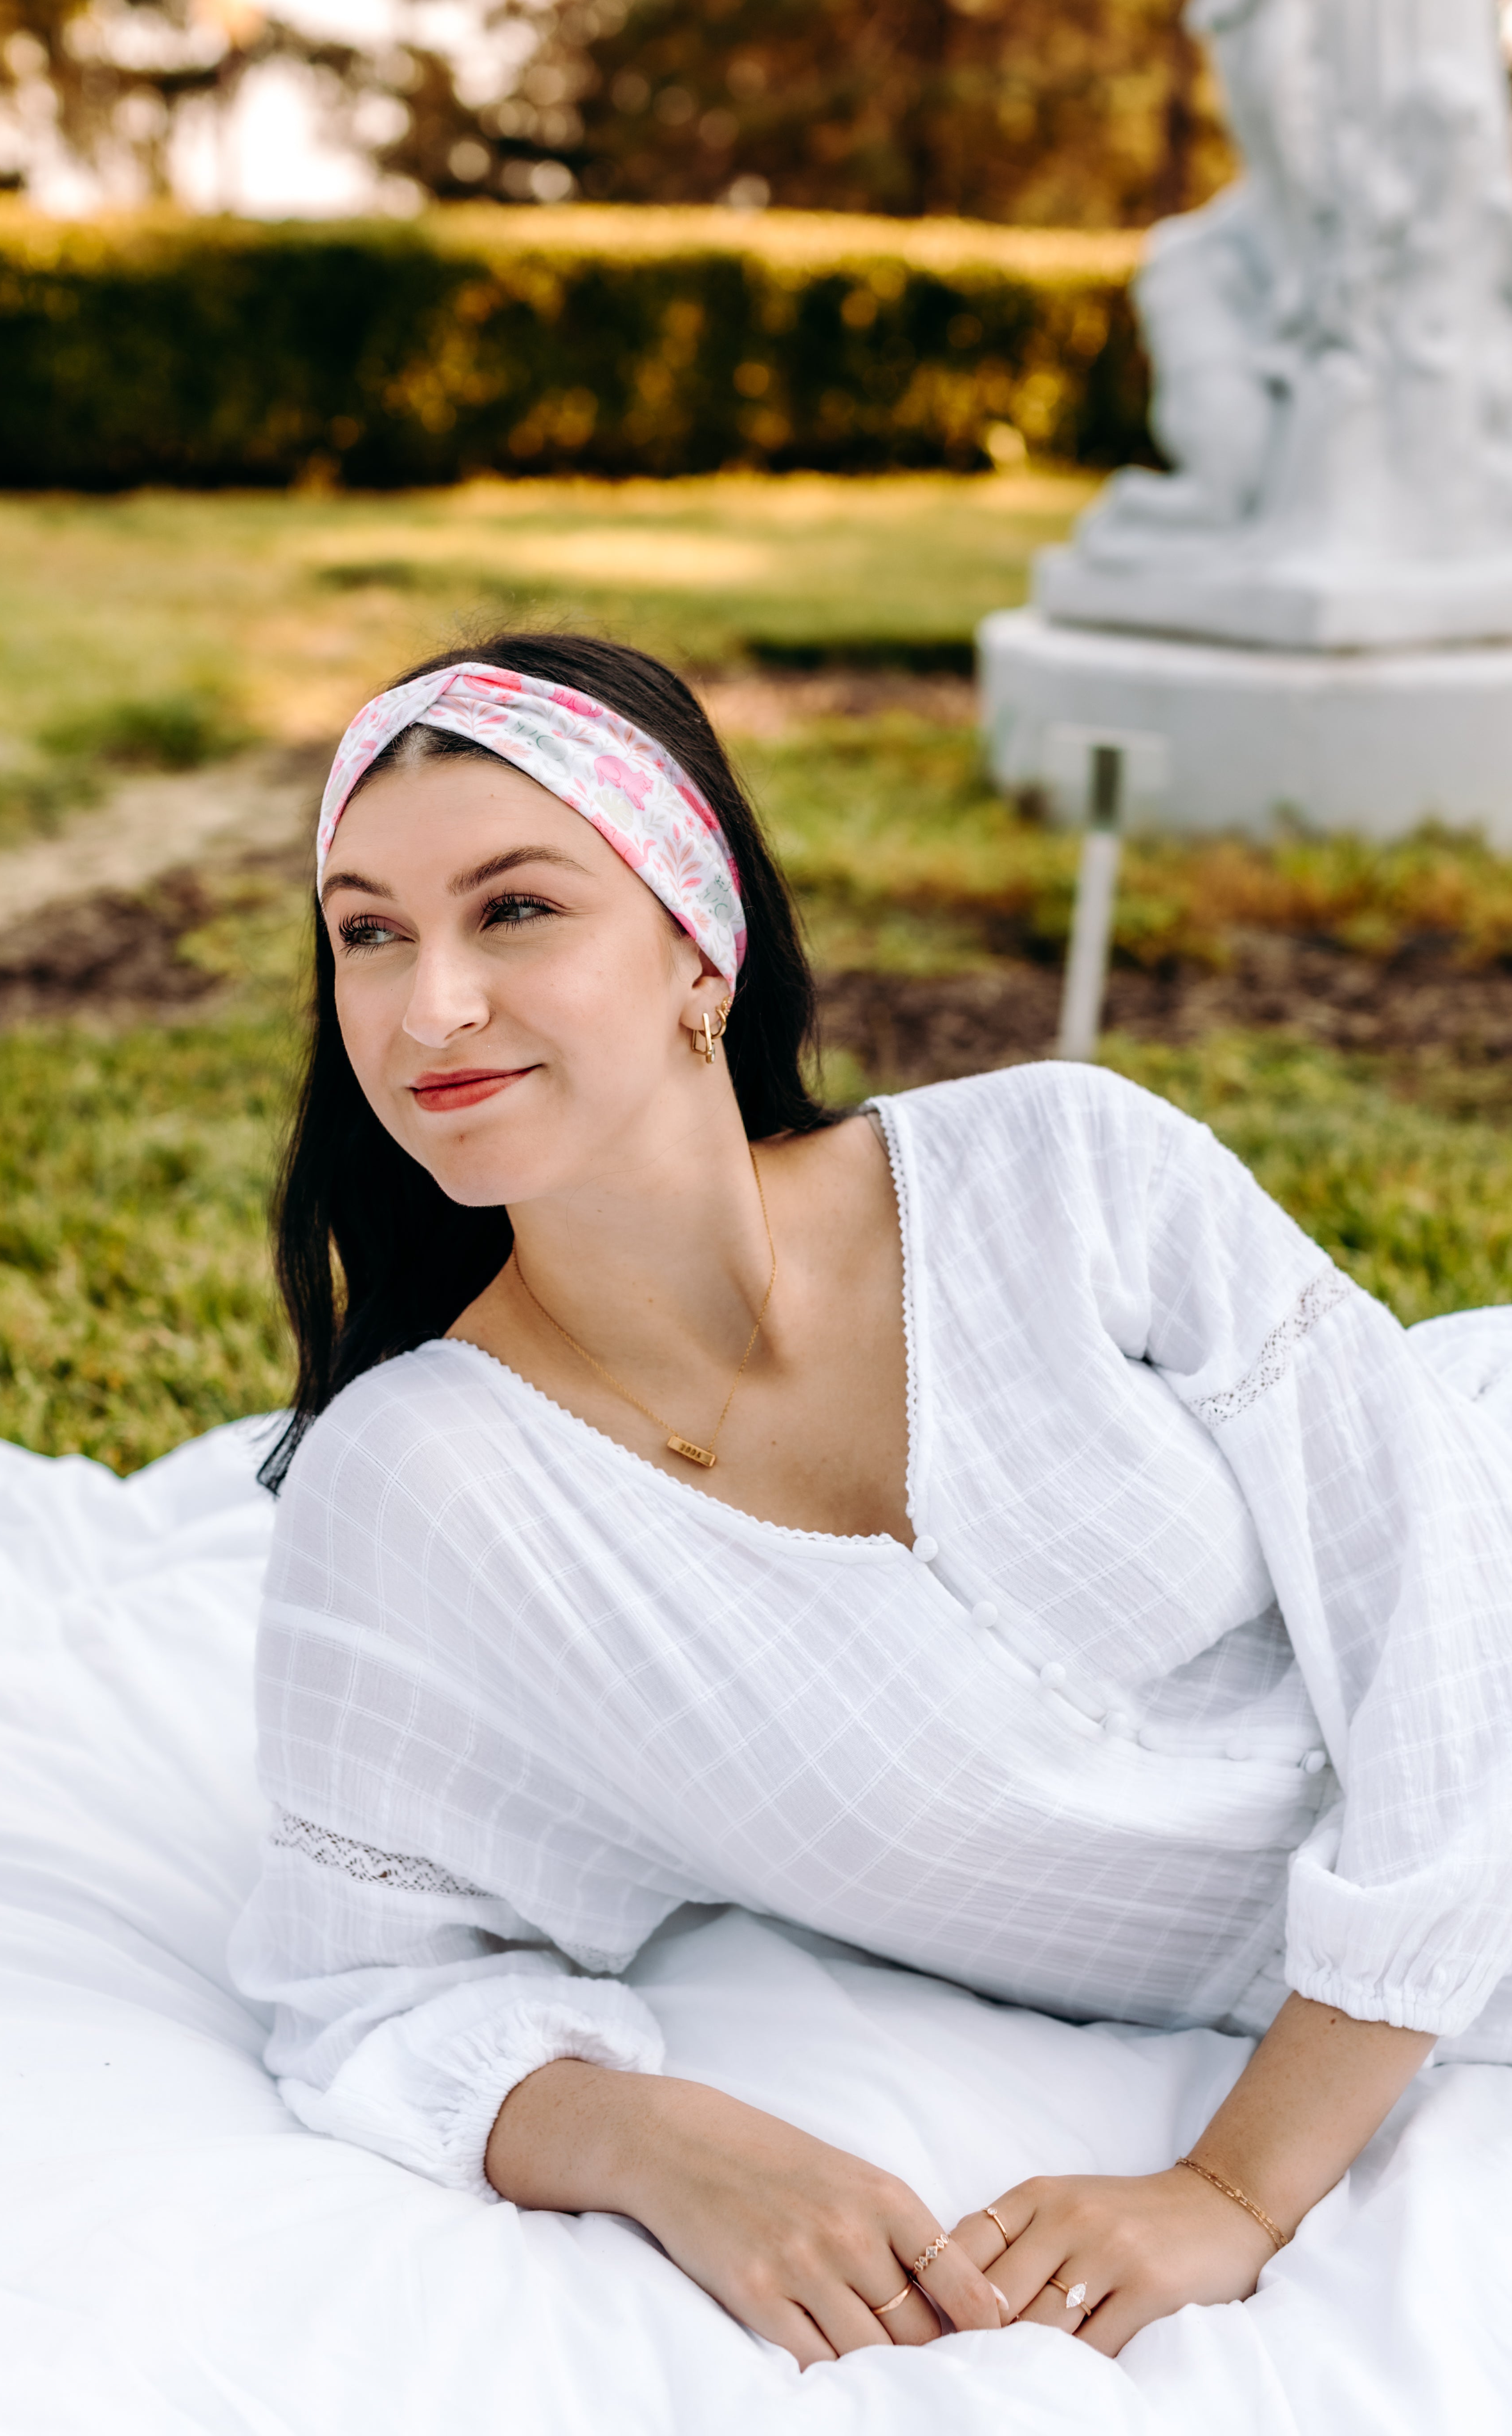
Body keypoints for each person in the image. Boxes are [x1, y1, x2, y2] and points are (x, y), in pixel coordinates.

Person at [229, 631, 1512, 2371]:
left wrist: (1238, 2187)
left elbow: (1447, 1614)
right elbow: (358, 1986)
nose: (425, 1004)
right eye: (368, 932)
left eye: (514, 910)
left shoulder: (1068, 1167)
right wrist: (665, 2146)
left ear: (701, 949)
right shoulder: (424, 1495)